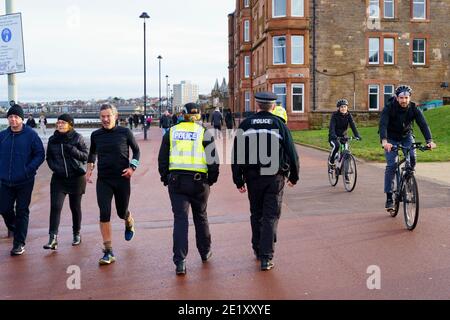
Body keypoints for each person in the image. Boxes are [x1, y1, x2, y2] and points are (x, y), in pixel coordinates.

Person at [231, 92, 299, 271]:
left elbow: (237, 154)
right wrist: (294, 176)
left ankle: (257, 247)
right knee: (270, 215)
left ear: (257, 105)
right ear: (273, 106)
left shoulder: (246, 124)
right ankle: (266, 257)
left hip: (253, 177)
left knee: (256, 213)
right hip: (274, 177)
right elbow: (291, 152)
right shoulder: (279, 125)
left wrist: (238, 180)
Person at [158, 103, 219, 276]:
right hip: (199, 183)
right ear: (198, 116)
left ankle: (180, 261)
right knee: (201, 217)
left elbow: (162, 158)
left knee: (180, 220)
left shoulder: (172, 132)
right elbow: (213, 160)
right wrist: (211, 179)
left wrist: (165, 178)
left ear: (182, 115)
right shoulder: (203, 133)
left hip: (177, 182)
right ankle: (205, 252)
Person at [86, 104, 140, 265]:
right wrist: (89, 168)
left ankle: (128, 219)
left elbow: (136, 151)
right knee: (104, 212)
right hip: (104, 179)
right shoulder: (96, 135)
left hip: (122, 178)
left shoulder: (125, 132)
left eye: (108, 115)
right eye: (102, 116)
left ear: (115, 116)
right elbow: (92, 153)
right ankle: (108, 251)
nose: (105, 119)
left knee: (121, 212)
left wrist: (132, 167)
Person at [379, 85, 436, 211]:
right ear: (396, 97)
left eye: (406, 98)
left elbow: (423, 124)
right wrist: (384, 141)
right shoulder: (389, 108)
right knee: (392, 165)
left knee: (412, 158)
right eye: (401, 98)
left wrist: (429, 141)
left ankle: (408, 178)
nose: (404, 100)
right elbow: (383, 124)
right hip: (391, 139)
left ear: (409, 98)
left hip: (406, 136)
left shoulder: (414, 108)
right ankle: (389, 197)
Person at [0, 104, 45, 255]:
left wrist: (28, 169)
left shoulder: (31, 135)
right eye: (10, 117)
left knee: (22, 210)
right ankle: (15, 228)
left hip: (25, 181)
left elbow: (40, 154)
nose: (13, 119)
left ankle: (19, 243)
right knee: (4, 208)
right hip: (5, 180)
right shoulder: (3, 135)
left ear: (22, 119)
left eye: (16, 117)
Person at [44, 114, 88, 250]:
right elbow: (49, 158)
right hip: (59, 179)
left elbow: (85, 156)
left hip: (76, 178)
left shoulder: (77, 138)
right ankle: (52, 239)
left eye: (63, 122)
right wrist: (55, 168)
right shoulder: (53, 140)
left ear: (70, 124)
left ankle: (76, 233)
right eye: (58, 122)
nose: (60, 125)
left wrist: (73, 150)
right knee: (55, 207)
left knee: (75, 208)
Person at [328, 99, 361, 178]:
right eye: (342, 107)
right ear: (339, 108)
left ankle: (345, 172)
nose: (343, 108)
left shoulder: (348, 115)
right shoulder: (335, 115)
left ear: (347, 107)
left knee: (346, 152)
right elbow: (332, 127)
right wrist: (333, 135)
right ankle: (331, 161)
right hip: (334, 137)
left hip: (343, 137)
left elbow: (353, 126)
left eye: (345, 107)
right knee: (337, 146)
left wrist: (357, 135)